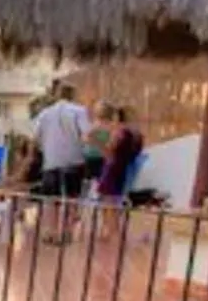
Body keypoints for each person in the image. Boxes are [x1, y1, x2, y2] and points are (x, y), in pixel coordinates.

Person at [33, 82, 91, 242]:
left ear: (57, 95)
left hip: (51, 161)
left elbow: (36, 138)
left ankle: (50, 231)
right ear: (73, 95)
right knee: (72, 198)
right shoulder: (80, 111)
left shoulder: (44, 114)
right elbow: (86, 135)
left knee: (52, 200)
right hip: (74, 160)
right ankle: (66, 232)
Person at [96, 107, 144, 236]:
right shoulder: (136, 134)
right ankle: (113, 230)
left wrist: (98, 143)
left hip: (112, 168)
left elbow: (109, 149)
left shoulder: (120, 132)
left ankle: (109, 230)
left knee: (108, 201)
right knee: (115, 201)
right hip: (123, 168)